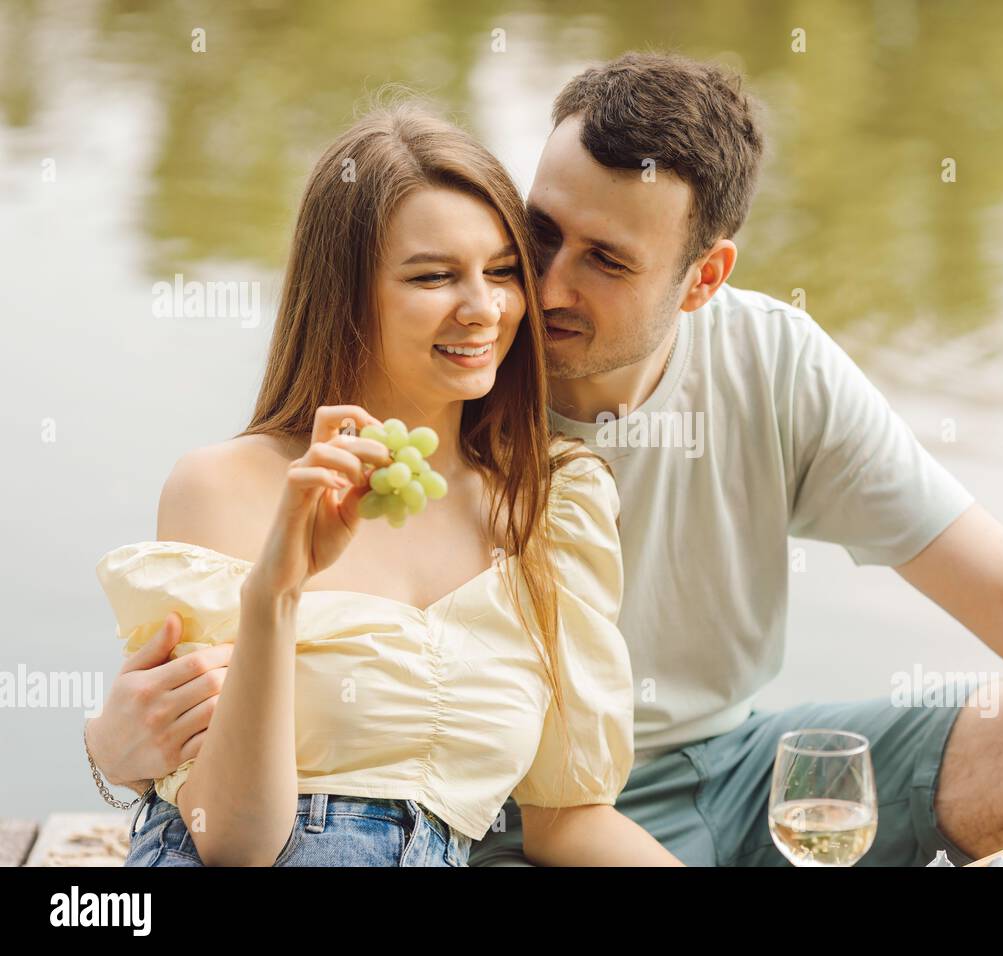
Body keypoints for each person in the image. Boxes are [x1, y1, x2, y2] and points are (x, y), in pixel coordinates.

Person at [89, 53, 1003, 867]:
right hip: (510, 820)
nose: (532, 296)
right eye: (537, 234)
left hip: (735, 760)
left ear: (703, 278)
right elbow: (258, 628)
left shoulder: (769, 361)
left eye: (602, 263)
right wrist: (113, 744)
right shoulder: (447, 396)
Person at [93, 100, 682, 867]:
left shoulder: (552, 505)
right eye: (434, 276)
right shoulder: (225, 486)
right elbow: (231, 840)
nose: (484, 309)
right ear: (346, 294)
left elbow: (571, 818)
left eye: (503, 272)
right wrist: (275, 592)